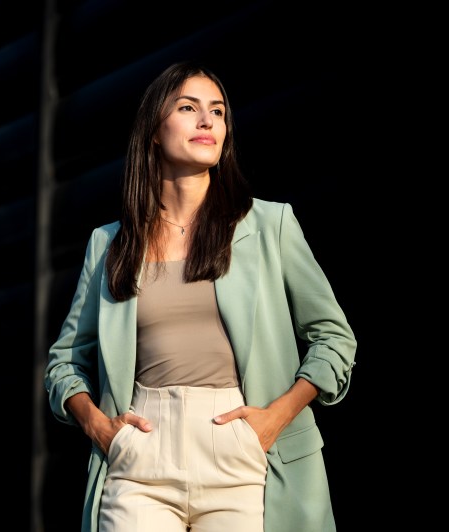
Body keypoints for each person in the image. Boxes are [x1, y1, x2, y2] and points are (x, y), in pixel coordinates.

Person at [43, 60, 357, 532]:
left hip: (239, 451)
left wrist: (275, 418)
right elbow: (64, 362)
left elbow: (335, 338)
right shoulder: (109, 244)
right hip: (140, 457)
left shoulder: (270, 227)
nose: (207, 121)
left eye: (218, 111)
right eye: (189, 108)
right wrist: (99, 428)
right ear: (153, 129)